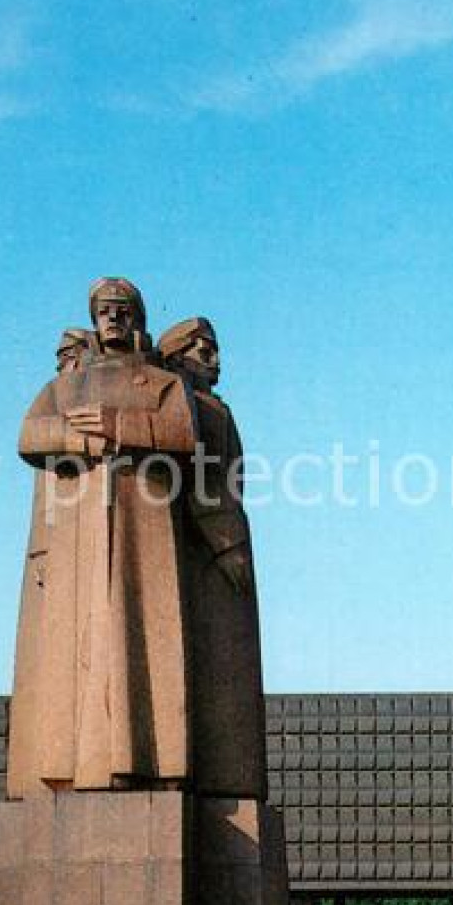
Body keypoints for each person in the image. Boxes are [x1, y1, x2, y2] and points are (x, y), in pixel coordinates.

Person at [6, 278, 202, 795]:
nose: (112, 319)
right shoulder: (64, 387)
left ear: (137, 317)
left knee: (143, 643)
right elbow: (30, 436)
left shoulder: (161, 383)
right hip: (80, 530)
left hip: (147, 527)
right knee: (84, 650)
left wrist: (118, 425)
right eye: (103, 311)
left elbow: (185, 434)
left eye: (121, 310)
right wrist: (77, 438)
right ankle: (80, 765)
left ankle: (154, 766)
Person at [157, 316, 267, 795]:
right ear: (179, 356)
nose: (215, 360)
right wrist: (229, 543)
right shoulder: (196, 409)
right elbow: (205, 480)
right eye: (204, 350)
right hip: (208, 554)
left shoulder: (210, 407)